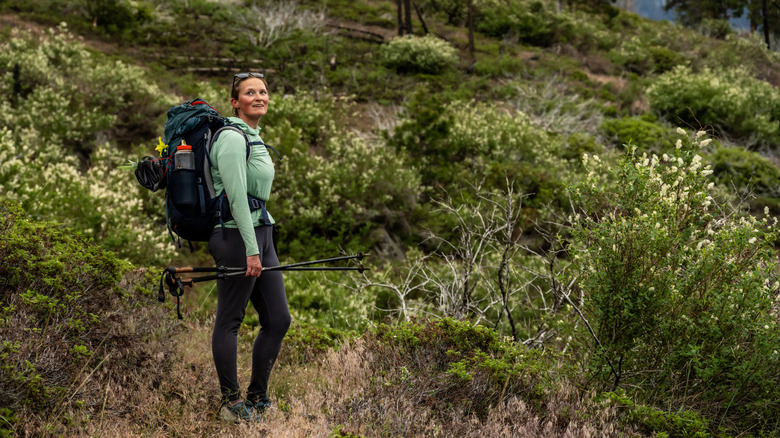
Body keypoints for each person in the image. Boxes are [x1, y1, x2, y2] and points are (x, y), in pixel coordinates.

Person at [208, 72, 291, 422]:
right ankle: (231, 403)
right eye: (250, 92)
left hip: (261, 232)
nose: (259, 97)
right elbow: (238, 198)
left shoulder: (253, 136)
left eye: (264, 91)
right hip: (236, 236)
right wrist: (251, 249)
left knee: (279, 319)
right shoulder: (230, 137)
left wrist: (261, 242)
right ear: (234, 101)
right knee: (231, 318)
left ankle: (258, 399)